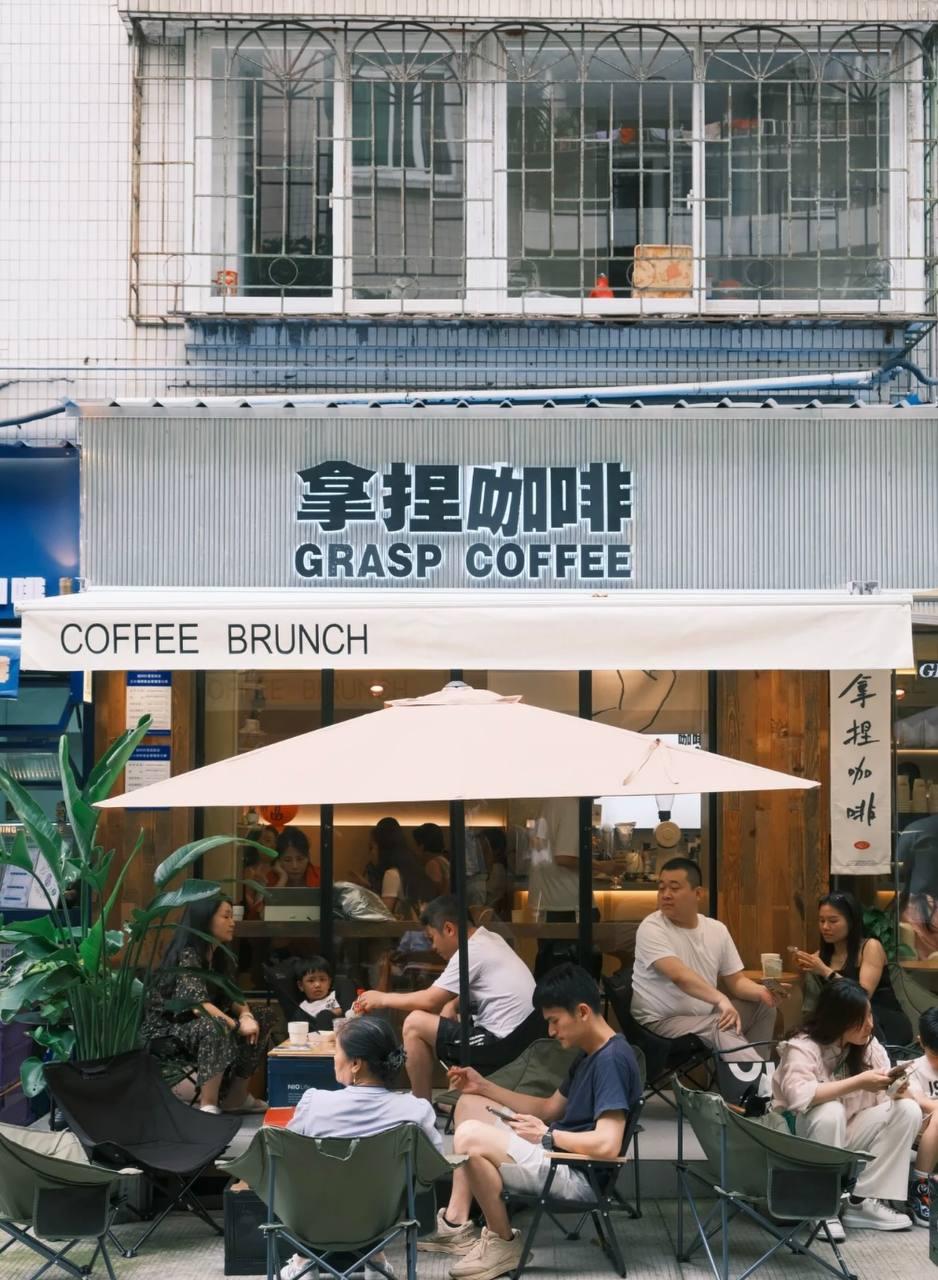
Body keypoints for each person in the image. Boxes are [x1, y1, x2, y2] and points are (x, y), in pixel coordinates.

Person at [417, 963, 641, 1280]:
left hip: (576, 1174)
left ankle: (503, 1242)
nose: (551, 1032)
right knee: (469, 1104)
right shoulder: (591, 1053)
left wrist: (548, 1137)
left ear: (582, 1012)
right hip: (557, 1155)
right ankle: (457, 1225)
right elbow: (548, 1108)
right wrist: (483, 1086)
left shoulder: (611, 1061)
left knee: (469, 1137)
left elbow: (607, 1144)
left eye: (554, 1021)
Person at [281, 1016, 442, 1280]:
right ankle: (375, 1260)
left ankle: (304, 1261)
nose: (334, 1058)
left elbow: (287, 1159)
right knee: (375, 1193)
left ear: (355, 1063)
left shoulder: (314, 1103)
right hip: (384, 1220)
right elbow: (433, 1167)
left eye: (337, 1051)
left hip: (316, 1220)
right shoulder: (416, 1110)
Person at [772, 978, 919, 1237]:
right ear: (837, 1020)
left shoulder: (867, 1045)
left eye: (870, 1015)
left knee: (908, 1110)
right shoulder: (803, 1046)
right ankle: (820, 1208)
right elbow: (798, 1097)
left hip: (849, 1130)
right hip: (803, 1137)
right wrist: (858, 1082)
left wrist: (895, 1090)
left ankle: (862, 1202)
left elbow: (883, 1099)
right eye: (860, 1019)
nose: (870, 1025)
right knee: (830, 1111)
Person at [356, 894, 537, 1099]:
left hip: (503, 1044)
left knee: (414, 1023)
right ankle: (449, 1099)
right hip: (521, 1040)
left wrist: (381, 998)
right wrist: (452, 1004)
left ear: (449, 929)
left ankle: (421, 1105)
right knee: (456, 1021)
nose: (433, 947)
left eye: (432, 938)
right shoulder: (490, 939)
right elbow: (485, 989)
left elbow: (430, 1000)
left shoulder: (471, 951)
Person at [632, 857, 783, 1061]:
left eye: (674, 888)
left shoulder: (716, 929)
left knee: (763, 1008)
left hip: (704, 1017)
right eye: (661, 888)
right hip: (660, 1023)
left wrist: (762, 992)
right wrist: (721, 999)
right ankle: (759, 1078)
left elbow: (736, 982)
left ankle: (753, 1073)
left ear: (698, 893)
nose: (665, 895)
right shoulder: (651, 928)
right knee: (721, 1025)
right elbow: (680, 976)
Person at [142, 894, 274, 1113]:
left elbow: (233, 994)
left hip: (198, 1027)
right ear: (205, 920)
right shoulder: (188, 955)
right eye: (226, 916)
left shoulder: (220, 953)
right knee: (216, 1025)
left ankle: (237, 1097)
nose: (232, 922)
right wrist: (238, 1026)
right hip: (169, 1032)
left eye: (232, 916)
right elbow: (198, 1006)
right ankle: (208, 1104)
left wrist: (246, 1016)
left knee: (262, 1016)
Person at [795, 890, 912, 1046]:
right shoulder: (821, 957)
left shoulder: (870, 947)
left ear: (851, 921)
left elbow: (862, 997)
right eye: (821, 920)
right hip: (845, 1023)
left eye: (833, 921)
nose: (825, 927)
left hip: (882, 1021)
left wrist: (825, 971)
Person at [899, 1007, 938, 1225]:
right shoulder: (912, 1069)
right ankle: (921, 1186)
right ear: (920, 1042)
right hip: (921, 1134)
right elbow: (922, 1102)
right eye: (935, 1055)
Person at [371, 816, 435, 918]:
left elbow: (382, 916)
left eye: (372, 847)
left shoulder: (392, 875)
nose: (372, 852)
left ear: (383, 848)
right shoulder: (412, 868)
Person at [295, 954, 345, 1023]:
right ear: (301, 985)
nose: (317, 985)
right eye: (311, 981)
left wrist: (332, 1013)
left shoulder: (336, 996)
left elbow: (347, 1010)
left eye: (322, 979)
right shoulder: (303, 1009)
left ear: (329, 982)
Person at [243, 825, 278, 919]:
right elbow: (250, 906)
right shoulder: (249, 871)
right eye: (260, 840)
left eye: (268, 840)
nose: (262, 844)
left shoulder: (280, 869)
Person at [413, 822, 451, 895]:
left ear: (421, 847)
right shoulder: (443, 861)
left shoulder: (432, 864)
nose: (414, 850)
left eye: (415, 844)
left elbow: (433, 895)